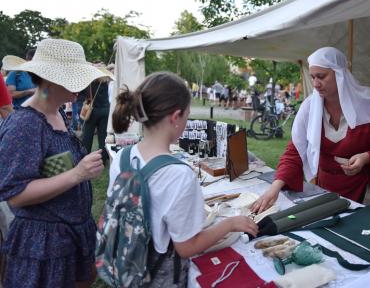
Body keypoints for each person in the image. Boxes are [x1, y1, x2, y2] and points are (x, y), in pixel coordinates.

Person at [109, 72, 258, 287]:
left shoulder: (122, 157)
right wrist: (229, 224)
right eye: (188, 115)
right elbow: (186, 246)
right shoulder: (179, 175)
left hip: (126, 262)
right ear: (176, 116)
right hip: (159, 275)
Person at [0, 39, 106, 287]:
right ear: (50, 80)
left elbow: (49, 169)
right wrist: (77, 174)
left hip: (69, 237)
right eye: (74, 77)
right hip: (45, 247)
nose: (81, 85)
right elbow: (15, 195)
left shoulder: (56, 112)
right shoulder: (25, 125)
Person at [252, 47, 370, 213]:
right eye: (312, 77)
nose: (316, 84)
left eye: (321, 76)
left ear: (339, 74)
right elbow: (295, 152)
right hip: (326, 189)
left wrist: (366, 157)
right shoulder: (310, 108)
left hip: (365, 191)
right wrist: (275, 188)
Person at [80, 65, 112, 165]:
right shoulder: (106, 81)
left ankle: (85, 158)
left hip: (93, 111)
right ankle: (103, 160)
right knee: (103, 136)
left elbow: (82, 95)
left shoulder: (89, 82)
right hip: (106, 110)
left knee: (87, 136)